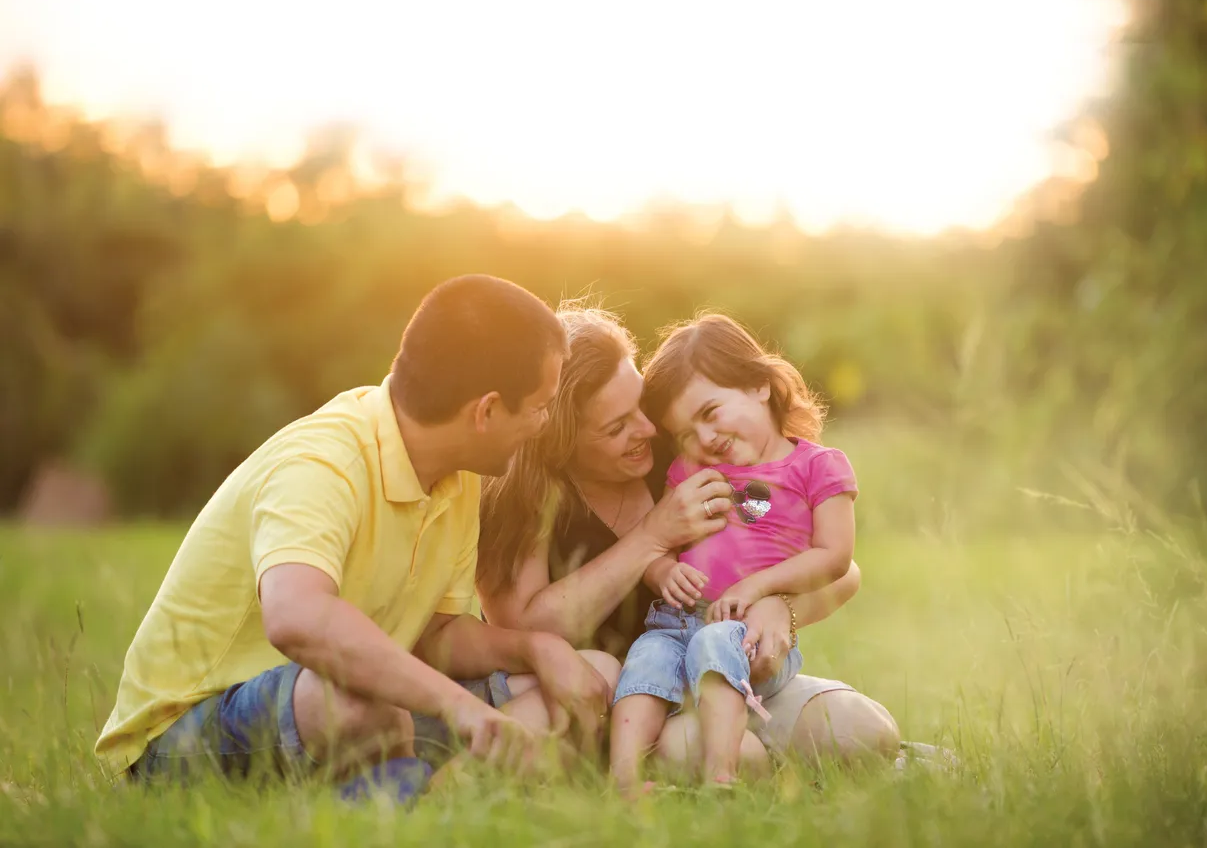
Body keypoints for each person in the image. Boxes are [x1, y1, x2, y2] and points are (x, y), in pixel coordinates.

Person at [95, 275, 618, 797]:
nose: (546, 423)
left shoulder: (459, 475)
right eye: (540, 406)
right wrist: (458, 706)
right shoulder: (324, 461)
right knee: (359, 705)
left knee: (586, 675)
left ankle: (429, 801)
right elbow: (296, 618)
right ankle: (419, 800)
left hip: (372, 714)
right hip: (184, 737)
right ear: (484, 411)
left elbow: (436, 637)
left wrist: (534, 650)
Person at [478, 306, 899, 784]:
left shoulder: (685, 451)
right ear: (560, 442)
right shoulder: (526, 494)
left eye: (640, 406)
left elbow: (843, 569)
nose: (646, 430)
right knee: (730, 756)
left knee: (864, 733)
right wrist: (652, 538)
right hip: (621, 693)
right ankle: (719, 764)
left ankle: (782, 751)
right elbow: (523, 627)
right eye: (616, 427)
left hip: (720, 667)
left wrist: (782, 606)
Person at [608, 313, 858, 790]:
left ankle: (720, 776)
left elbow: (835, 556)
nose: (703, 440)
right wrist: (660, 573)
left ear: (759, 385)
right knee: (645, 659)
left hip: (748, 634)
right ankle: (621, 782)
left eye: (710, 413)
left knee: (714, 642)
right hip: (674, 621)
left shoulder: (817, 467)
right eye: (685, 433)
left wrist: (760, 588)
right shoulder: (688, 470)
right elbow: (657, 542)